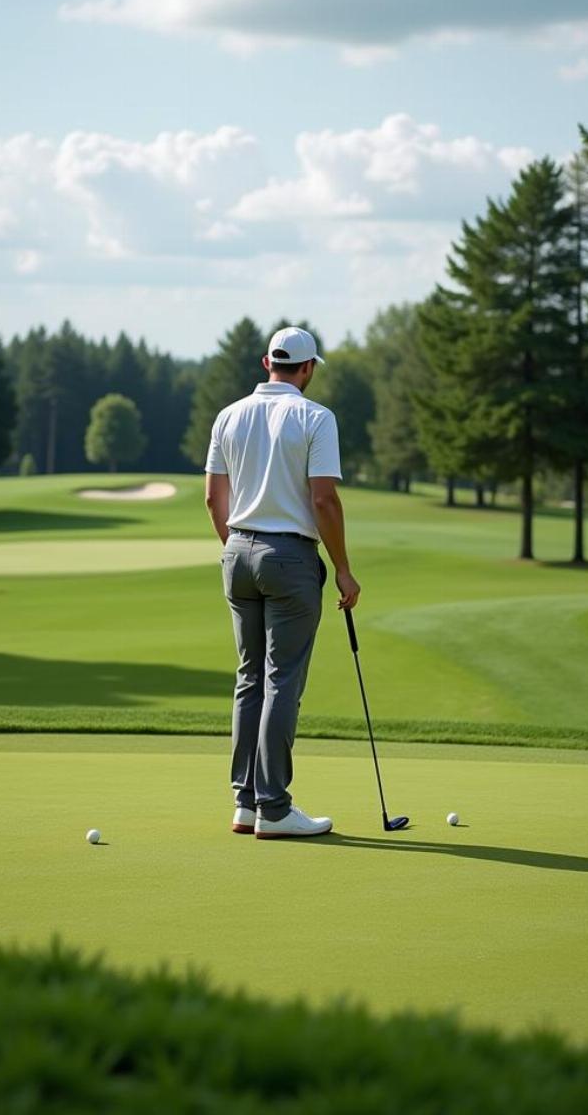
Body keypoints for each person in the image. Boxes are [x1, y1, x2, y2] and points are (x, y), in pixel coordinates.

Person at [204, 326, 361, 840]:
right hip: (290, 556)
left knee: (250, 678)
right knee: (281, 680)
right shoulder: (316, 417)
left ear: (265, 362)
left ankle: (245, 804)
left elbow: (213, 498)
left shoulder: (228, 415)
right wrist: (342, 568)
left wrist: (235, 546)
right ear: (308, 368)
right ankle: (274, 807)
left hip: (237, 550)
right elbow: (323, 501)